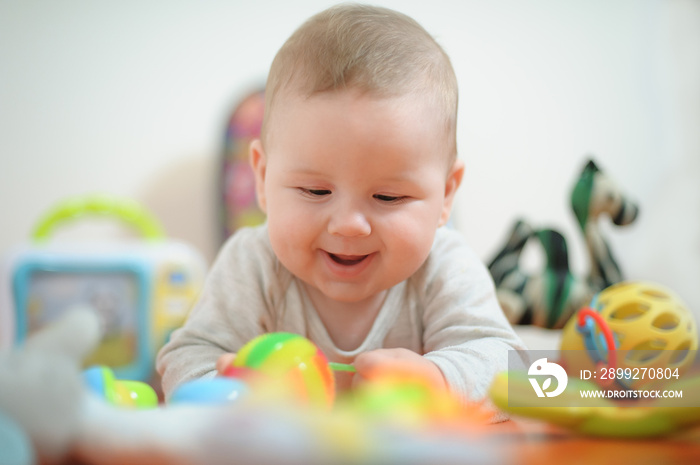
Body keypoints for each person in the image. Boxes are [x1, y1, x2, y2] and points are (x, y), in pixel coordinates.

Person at [157, 3, 526, 406]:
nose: (349, 225)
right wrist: (232, 393)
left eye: (388, 197)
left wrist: (439, 380)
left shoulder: (445, 267)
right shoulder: (253, 264)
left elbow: (511, 366)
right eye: (315, 192)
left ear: (446, 195)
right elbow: (185, 359)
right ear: (262, 178)